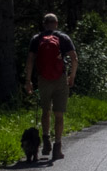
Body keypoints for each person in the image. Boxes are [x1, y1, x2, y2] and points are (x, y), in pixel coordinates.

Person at [24, 12, 76, 161]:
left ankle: (46, 139)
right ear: (56, 23)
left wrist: (28, 81)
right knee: (59, 115)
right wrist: (71, 76)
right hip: (60, 79)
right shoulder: (63, 38)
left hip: (43, 79)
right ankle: (57, 148)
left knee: (45, 110)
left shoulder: (37, 38)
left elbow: (30, 60)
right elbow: (74, 58)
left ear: (44, 24)